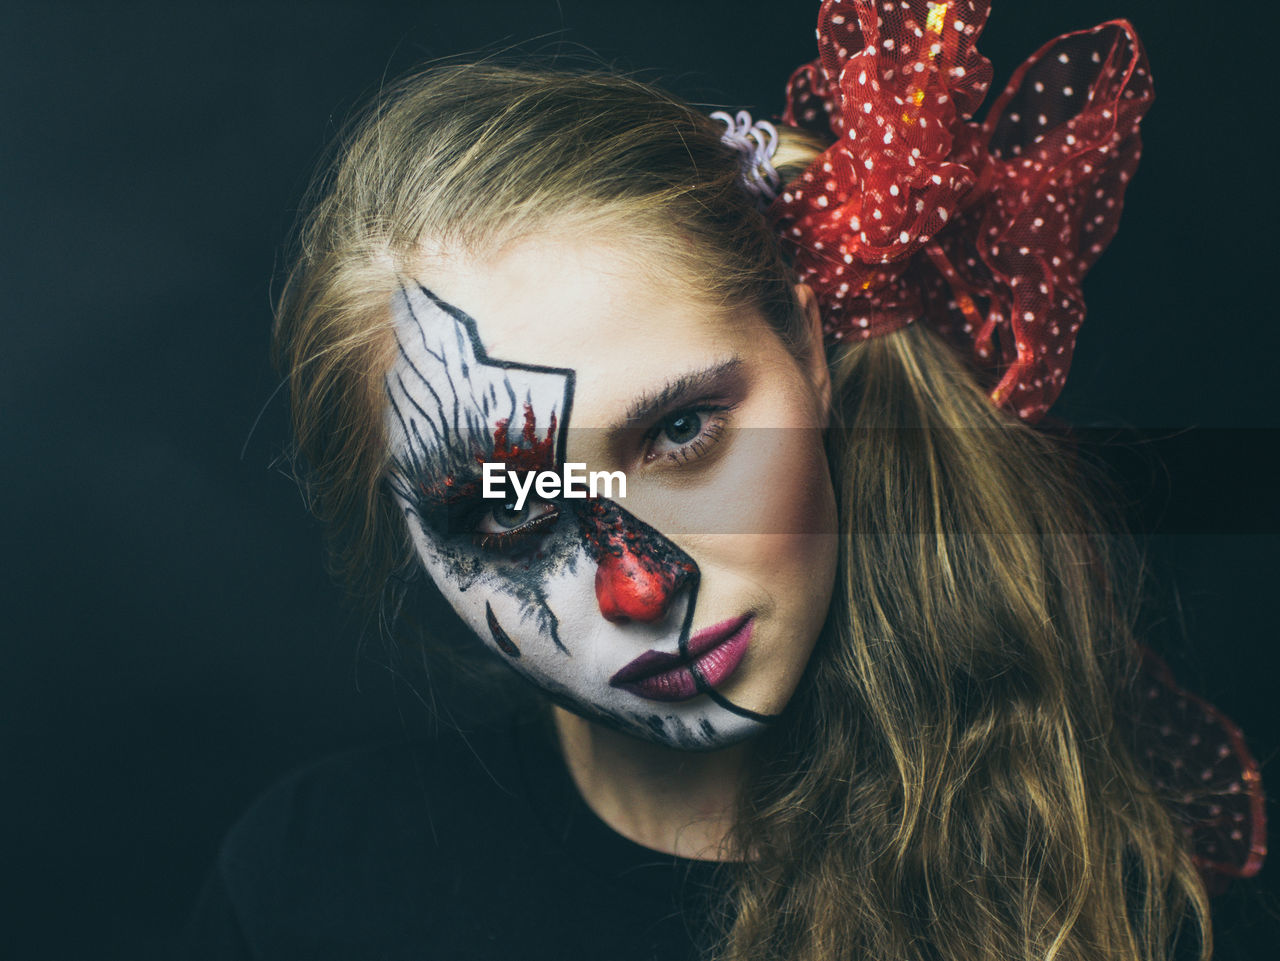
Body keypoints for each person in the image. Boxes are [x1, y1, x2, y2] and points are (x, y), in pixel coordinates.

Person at [184, 2, 1266, 959]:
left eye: (682, 429)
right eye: (504, 505)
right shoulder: (307, 892)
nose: (639, 588)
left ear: (804, 346)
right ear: (407, 527)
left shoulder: (1132, 876)